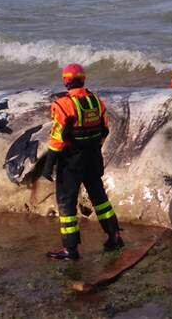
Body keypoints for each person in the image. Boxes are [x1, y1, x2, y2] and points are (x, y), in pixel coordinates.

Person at [42, 63, 124, 261]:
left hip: (72, 161)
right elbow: (105, 130)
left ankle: (71, 249)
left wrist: (48, 164)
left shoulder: (63, 105)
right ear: (83, 79)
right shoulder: (96, 101)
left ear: (65, 81)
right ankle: (114, 235)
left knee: (67, 203)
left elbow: (57, 138)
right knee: (99, 197)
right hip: (93, 157)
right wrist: (92, 146)